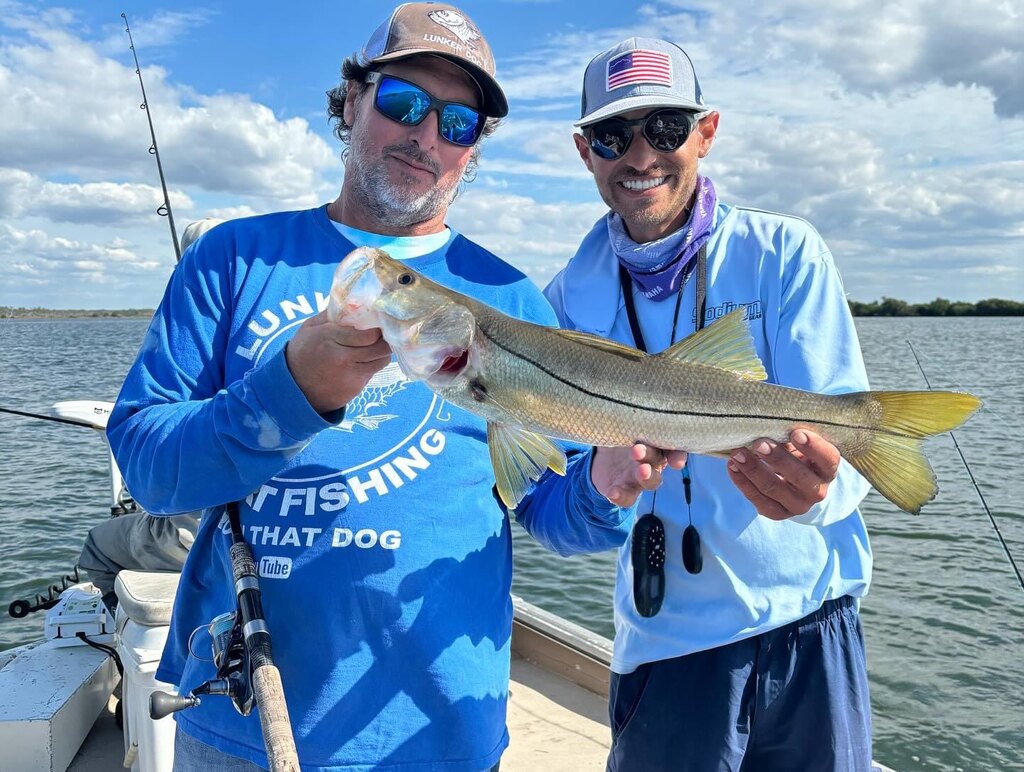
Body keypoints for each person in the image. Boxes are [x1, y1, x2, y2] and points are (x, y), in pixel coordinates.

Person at [106, 6, 675, 771]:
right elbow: (148, 469)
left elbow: (553, 512)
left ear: (474, 152)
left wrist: (606, 489)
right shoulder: (232, 259)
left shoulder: (510, 297)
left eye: (460, 123)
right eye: (404, 102)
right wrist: (290, 391)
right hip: (244, 716)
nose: (427, 135)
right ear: (350, 102)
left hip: (434, 726)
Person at [542, 37, 875, 771]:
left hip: (813, 624)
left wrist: (816, 492)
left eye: (665, 128)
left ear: (707, 132)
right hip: (670, 645)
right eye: (612, 134)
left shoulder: (785, 252)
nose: (640, 156)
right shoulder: (564, 300)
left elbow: (848, 474)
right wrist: (601, 490)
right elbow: (561, 523)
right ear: (583, 150)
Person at [78, 220, 223, 612]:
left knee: (98, 545)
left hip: (199, 535)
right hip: (271, 533)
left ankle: (132, 637)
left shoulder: (184, 332)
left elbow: (152, 477)